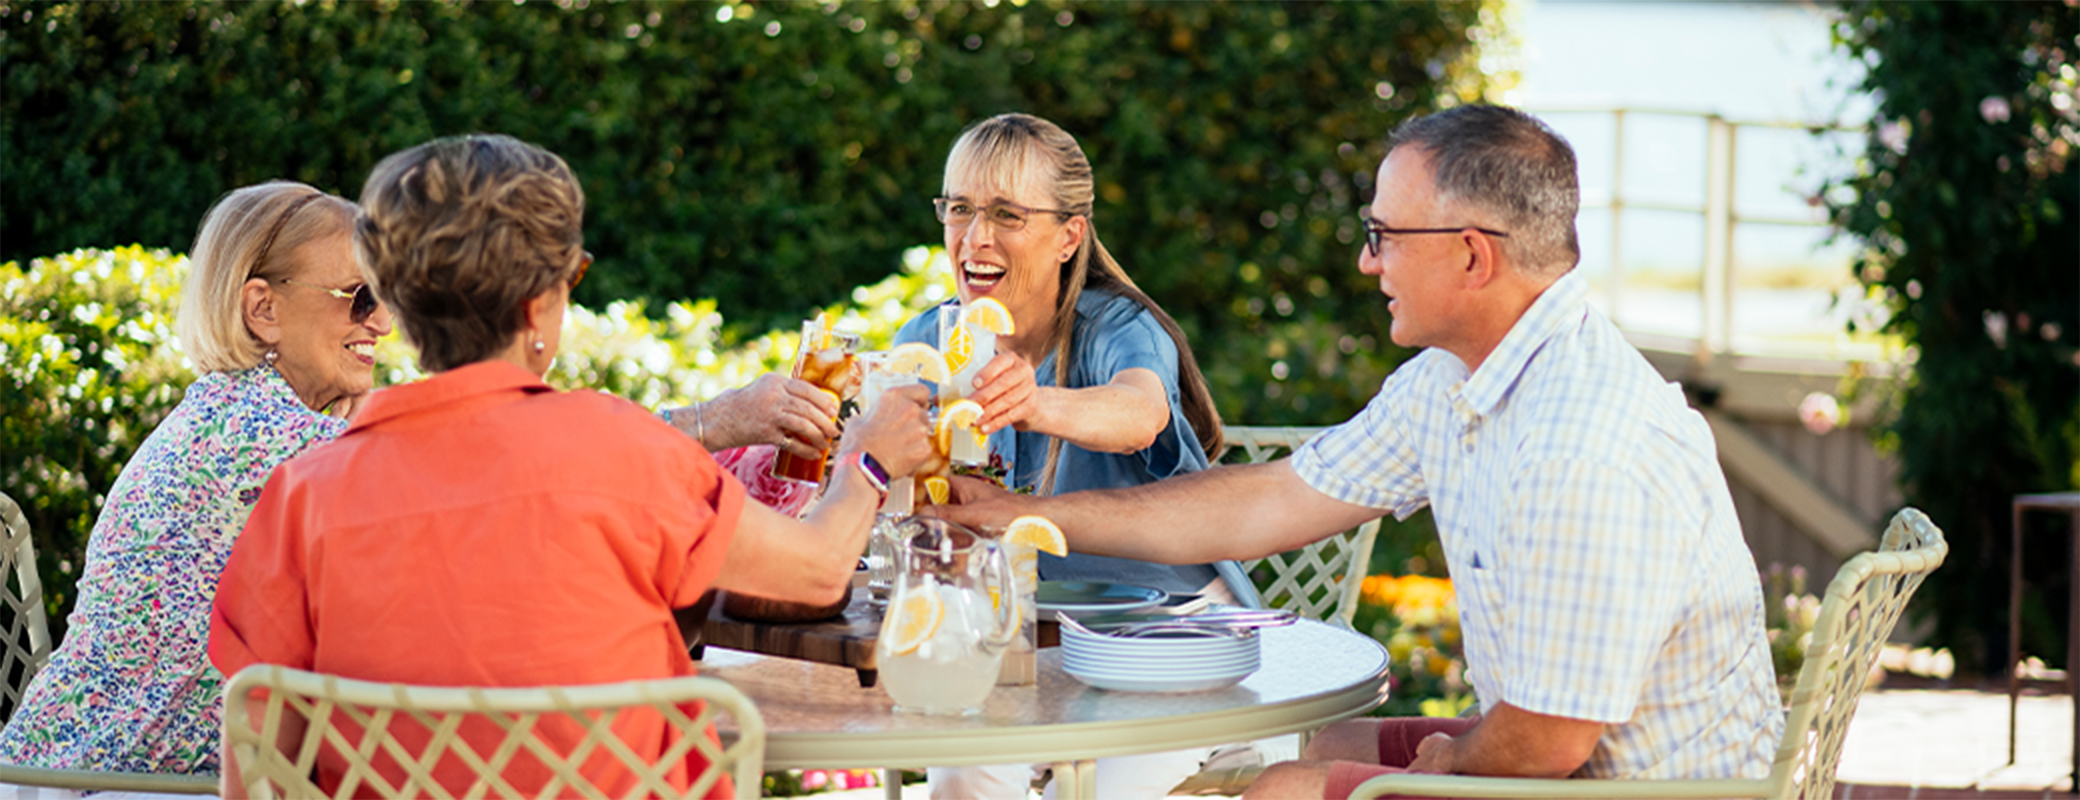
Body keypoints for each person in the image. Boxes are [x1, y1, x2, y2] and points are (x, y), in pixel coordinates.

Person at [942, 105, 1784, 800]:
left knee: (1279, 791)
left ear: (1472, 254)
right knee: (1324, 745)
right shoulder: (1454, 382)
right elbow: (1272, 500)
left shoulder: (1578, 444)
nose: (1365, 259)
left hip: (1641, 787)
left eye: (1384, 234)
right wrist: (1025, 515)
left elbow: (1547, 742)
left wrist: (1451, 761)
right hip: (1577, 753)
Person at [207, 134, 937, 798]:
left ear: (395, 302)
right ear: (538, 304)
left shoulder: (303, 497)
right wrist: (867, 460)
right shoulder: (626, 450)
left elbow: (262, 765)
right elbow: (819, 570)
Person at [895, 113, 1258, 800]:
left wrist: (1034, 402)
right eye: (960, 209)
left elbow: (1139, 412)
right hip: (1029, 648)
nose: (975, 237)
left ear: (1069, 236)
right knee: (961, 775)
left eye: (1006, 214)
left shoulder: (1116, 326)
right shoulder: (929, 339)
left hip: (1174, 645)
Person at [0, 182, 392, 780]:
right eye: (359, 297)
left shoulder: (240, 412)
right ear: (263, 310)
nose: (383, 322)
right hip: (119, 786)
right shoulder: (260, 431)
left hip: (86, 775)